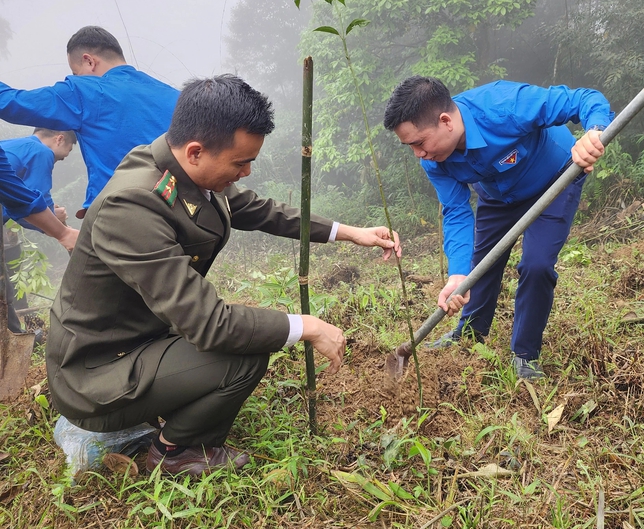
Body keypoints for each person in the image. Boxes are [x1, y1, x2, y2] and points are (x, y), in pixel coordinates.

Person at [46, 74, 402, 476]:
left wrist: (350, 233)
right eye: (240, 162)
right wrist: (307, 326)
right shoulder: (130, 207)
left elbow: (259, 209)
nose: (247, 172)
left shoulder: (179, 166)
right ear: (197, 151)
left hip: (139, 336)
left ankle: (165, 406)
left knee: (247, 333)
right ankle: (175, 451)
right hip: (94, 372)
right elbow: (211, 325)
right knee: (241, 357)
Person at [383, 76, 611, 380]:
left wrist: (593, 133)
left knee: (537, 265)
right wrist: (457, 275)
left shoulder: (505, 106)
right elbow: (456, 212)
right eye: (409, 146)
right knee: (480, 265)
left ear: (445, 121)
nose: (418, 154)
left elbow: (584, 98)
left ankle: (525, 354)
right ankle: (471, 331)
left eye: (419, 143)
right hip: (498, 194)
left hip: (554, 180)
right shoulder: (434, 161)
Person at [0, 26, 179, 216]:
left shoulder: (86, 91)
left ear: (89, 61)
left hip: (123, 214)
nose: (76, 78)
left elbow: (12, 103)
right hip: (181, 216)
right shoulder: (178, 97)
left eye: (76, 72)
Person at [1, 128, 77, 333]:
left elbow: (20, 202)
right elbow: (29, 203)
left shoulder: (16, 146)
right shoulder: (40, 151)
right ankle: (18, 336)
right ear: (59, 139)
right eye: (67, 152)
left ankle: (19, 335)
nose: (62, 158)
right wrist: (57, 222)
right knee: (5, 291)